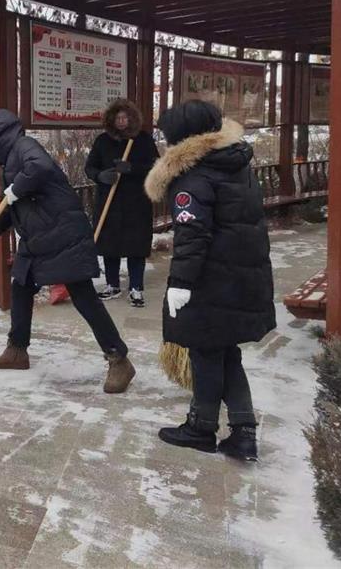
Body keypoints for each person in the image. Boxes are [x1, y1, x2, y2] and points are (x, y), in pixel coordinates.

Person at [144, 100, 275, 461]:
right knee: (226, 350)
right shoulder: (236, 164)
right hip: (243, 275)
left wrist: (181, 284)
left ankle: (200, 427)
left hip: (210, 279)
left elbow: (193, 234)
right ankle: (244, 431)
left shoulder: (193, 177)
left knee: (204, 350)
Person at [0, 109, 136, 393]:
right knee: (21, 286)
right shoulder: (8, 163)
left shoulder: (25, 147)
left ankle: (119, 359)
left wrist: (17, 189)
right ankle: (17, 350)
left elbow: (40, 169)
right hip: (37, 239)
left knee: (83, 296)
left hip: (62, 235)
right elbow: (9, 208)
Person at [85, 99, 160, 307]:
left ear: (132, 119)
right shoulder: (102, 141)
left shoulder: (143, 140)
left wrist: (132, 168)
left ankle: (136, 287)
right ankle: (112, 284)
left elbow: (156, 166)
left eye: (125, 117)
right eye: (117, 118)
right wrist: (101, 176)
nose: (121, 121)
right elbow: (89, 167)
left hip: (136, 204)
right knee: (110, 246)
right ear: (111, 119)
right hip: (110, 202)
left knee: (136, 246)